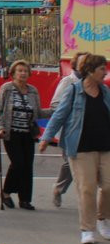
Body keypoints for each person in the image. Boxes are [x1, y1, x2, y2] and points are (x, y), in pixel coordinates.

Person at [39, 54, 110, 244]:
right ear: (91, 70)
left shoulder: (105, 91)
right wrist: (46, 137)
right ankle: (87, 229)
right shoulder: (73, 90)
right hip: (81, 147)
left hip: (105, 146)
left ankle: (103, 218)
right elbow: (59, 115)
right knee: (87, 189)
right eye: (102, 69)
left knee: (108, 186)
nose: (105, 72)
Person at [0, 60, 50, 210]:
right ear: (13, 73)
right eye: (20, 71)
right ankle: (5, 192)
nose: (23, 73)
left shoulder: (33, 90)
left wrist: (56, 110)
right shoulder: (6, 88)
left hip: (28, 134)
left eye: (25, 71)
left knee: (27, 166)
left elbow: (38, 112)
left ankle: (25, 199)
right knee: (18, 164)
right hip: (11, 133)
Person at [49, 52, 87, 207]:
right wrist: (73, 114)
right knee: (70, 163)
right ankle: (58, 189)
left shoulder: (93, 83)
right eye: (83, 62)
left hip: (89, 132)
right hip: (71, 131)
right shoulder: (68, 82)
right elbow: (55, 104)